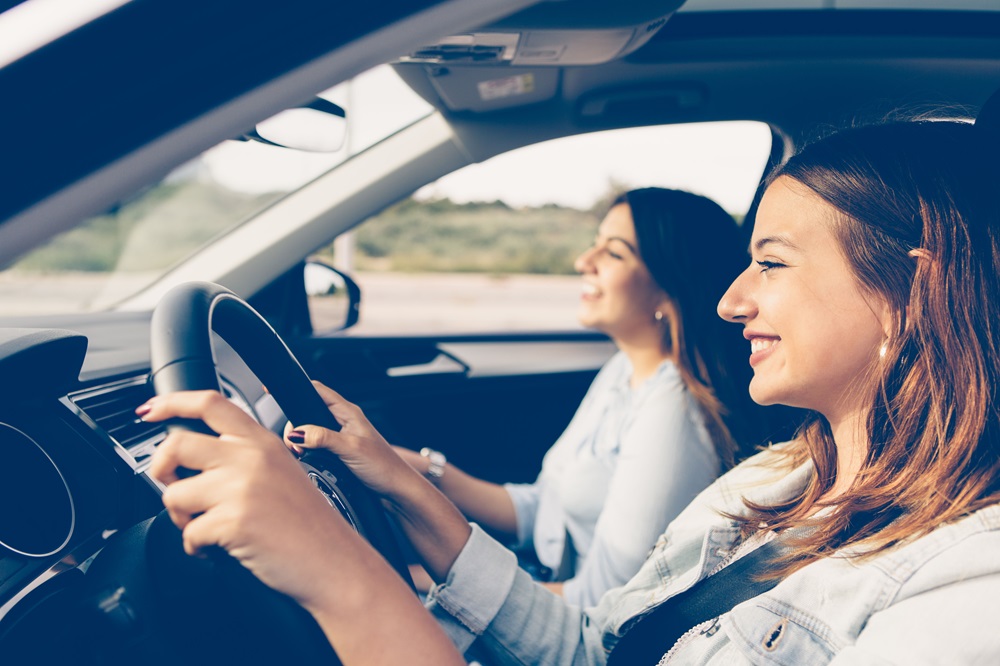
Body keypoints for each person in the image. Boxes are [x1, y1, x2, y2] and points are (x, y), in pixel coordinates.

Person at [144, 113, 1000, 664]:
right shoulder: (772, 481)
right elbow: (596, 650)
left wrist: (341, 576)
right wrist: (406, 484)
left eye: (770, 264)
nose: (732, 300)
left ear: (911, 291)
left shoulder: (972, 583)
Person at [384, 187, 769, 605]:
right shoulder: (623, 369)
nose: (584, 261)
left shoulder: (672, 413)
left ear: (669, 284)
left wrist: (424, 578)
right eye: (595, 244)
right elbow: (543, 513)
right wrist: (420, 470)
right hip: (540, 583)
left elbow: (603, 604)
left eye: (615, 253)